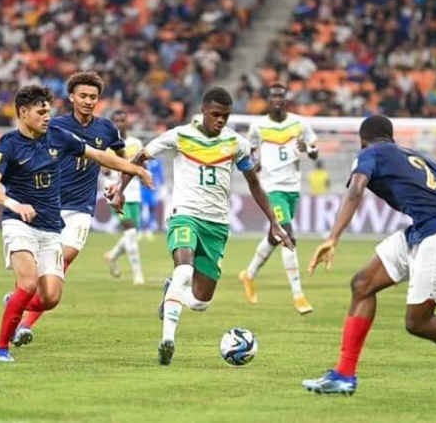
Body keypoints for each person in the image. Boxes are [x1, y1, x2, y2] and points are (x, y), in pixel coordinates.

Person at [301, 115, 436, 399]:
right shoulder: (417, 157)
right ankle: (344, 375)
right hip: (427, 228)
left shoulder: (370, 153)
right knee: (362, 284)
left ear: (362, 140)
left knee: (419, 321)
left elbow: (355, 189)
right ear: (391, 137)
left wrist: (332, 237)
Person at [109, 87, 294, 366]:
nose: (221, 120)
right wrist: (121, 189)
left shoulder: (237, 143)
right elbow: (140, 158)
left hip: (217, 226)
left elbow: (254, 183)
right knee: (183, 268)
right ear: (204, 111)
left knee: (200, 303)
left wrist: (274, 222)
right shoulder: (180, 135)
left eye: (226, 116)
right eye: (216, 114)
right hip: (185, 216)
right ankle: (167, 340)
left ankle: (173, 290)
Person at [0, 85, 152, 362]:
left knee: (50, 298)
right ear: (23, 113)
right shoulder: (8, 143)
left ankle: (15, 306)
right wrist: (14, 205)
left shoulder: (58, 137)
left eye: (48, 111)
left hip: (51, 227)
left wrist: (136, 169)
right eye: (41, 112)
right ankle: (0, 348)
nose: (47, 116)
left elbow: (98, 155)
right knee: (26, 284)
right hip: (19, 223)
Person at [9, 71, 131, 346]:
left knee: (61, 260)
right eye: (83, 96)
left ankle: (21, 313)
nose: (88, 101)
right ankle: (22, 320)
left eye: (93, 97)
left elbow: (123, 159)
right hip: (48, 204)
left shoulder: (107, 129)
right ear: (72, 97)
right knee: (45, 273)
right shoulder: (53, 126)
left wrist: (118, 186)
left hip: (80, 208)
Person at [238, 83, 318, 314]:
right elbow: (250, 151)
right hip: (271, 189)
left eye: (280, 97)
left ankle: (248, 274)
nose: (276, 100)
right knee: (287, 236)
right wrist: (256, 163)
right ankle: (298, 296)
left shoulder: (300, 123)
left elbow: (314, 151)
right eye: (272, 97)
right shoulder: (258, 126)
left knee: (275, 236)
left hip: (293, 188)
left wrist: (309, 150)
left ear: (285, 99)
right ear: (268, 100)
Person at [103, 110, 146, 284]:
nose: (120, 123)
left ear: (127, 122)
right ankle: (138, 274)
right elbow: (103, 168)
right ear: (113, 123)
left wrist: (144, 174)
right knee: (130, 231)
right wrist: (107, 167)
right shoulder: (107, 144)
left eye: (122, 120)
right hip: (116, 192)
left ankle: (112, 255)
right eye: (116, 120)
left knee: (133, 233)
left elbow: (143, 163)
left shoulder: (136, 143)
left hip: (135, 192)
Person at [139, 156, 166, 241]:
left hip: (152, 188)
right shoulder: (142, 160)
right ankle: (140, 229)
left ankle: (149, 229)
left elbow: (160, 174)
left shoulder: (157, 161)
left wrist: (161, 185)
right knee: (141, 208)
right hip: (142, 187)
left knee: (152, 208)